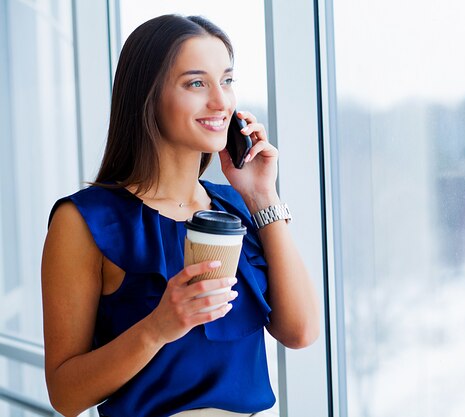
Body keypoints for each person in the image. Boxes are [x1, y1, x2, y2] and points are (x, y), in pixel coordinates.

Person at [41, 14, 319, 417]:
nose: (221, 102)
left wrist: (262, 196)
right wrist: (157, 328)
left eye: (226, 80)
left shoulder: (237, 206)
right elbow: (65, 396)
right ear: (147, 96)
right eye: (196, 83)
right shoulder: (85, 221)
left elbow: (301, 331)